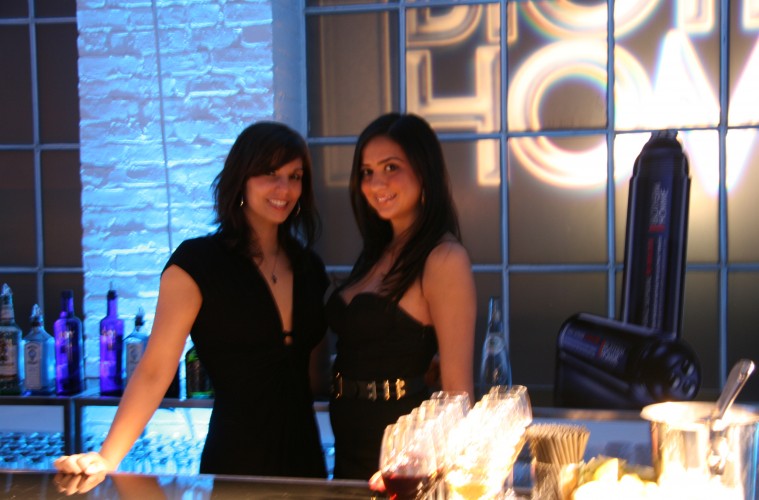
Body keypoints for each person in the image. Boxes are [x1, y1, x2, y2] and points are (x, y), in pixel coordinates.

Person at [53, 122, 329, 479]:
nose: (285, 189)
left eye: (295, 176)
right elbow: (154, 370)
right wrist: (107, 458)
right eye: (270, 174)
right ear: (241, 179)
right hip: (236, 464)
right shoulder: (198, 263)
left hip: (307, 464)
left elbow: (316, 375)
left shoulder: (309, 267)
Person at [327, 112, 477, 480]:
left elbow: (457, 393)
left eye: (391, 167)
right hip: (347, 443)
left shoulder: (444, 258)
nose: (376, 183)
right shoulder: (378, 251)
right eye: (367, 172)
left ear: (424, 172)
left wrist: (458, 479)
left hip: (402, 451)